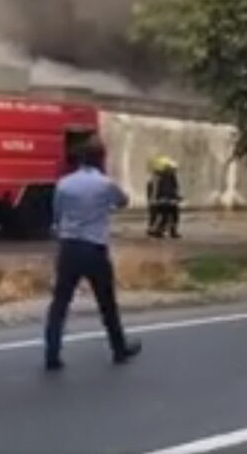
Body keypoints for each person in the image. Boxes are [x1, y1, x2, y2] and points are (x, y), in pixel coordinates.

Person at [44, 136, 142, 372]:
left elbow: (57, 214)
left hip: (69, 247)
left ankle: (52, 354)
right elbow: (123, 201)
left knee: (60, 303)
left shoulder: (64, 184)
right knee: (107, 303)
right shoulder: (105, 184)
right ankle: (118, 350)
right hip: (94, 248)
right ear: (100, 160)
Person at [149, 159, 182, 238]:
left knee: (174, 216)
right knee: (165, 216)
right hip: (164, 199)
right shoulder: (160, 177)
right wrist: (155, 199)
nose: (174, 171)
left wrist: (177, 197)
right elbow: (158, 189)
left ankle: (172, 231)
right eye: (173, 169)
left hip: (170, 199)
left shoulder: (172, 177)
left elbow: (175, 188)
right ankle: (159, 230)